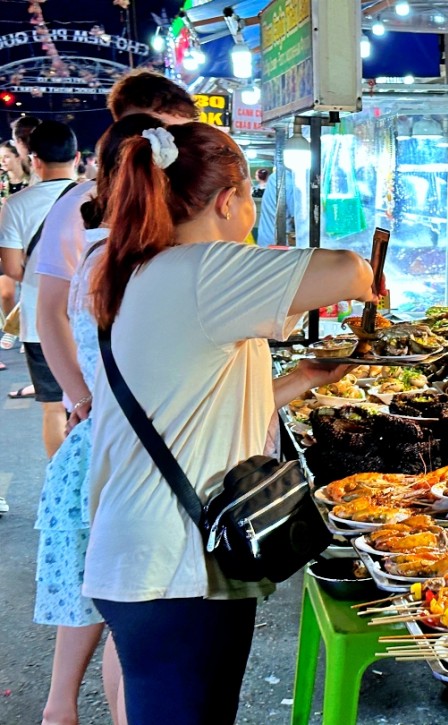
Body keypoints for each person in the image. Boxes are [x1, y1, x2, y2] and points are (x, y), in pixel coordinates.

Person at [82, 122, 374, 724]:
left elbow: (195, 406)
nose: (251, 212)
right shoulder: (200, 270)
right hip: (170, 567)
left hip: (168, 555)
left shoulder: (151, 269)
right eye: (251, 197)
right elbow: (351, 271)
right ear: (228, 198)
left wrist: (306, 380)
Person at [31, 72, 199, 725]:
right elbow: (50, 313)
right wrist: (82, 400)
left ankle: (60, 707)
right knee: (130, 618)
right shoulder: (105, 218)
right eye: (175, 133)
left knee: (105, 599)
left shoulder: (117, 217)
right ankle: (63, 706)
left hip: (109, 443)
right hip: (123, 445)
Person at [0, 121, 77, 449]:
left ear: (35, 161)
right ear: (76, 158)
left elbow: (12, 267)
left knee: (53, 408)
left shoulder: (16, 205)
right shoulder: (97, 197)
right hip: (93, 316)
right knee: (100, 403)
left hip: (41, 321)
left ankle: (60, 488)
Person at [1, 133, 37, 354]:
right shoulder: (1, 181)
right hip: (7, 240)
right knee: (6, 292)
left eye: (6, 157)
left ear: (17, 157)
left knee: (30, 288)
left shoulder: (32, 181)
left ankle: (26, 329)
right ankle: (13, 328)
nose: (2, 162)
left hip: (29, 242)